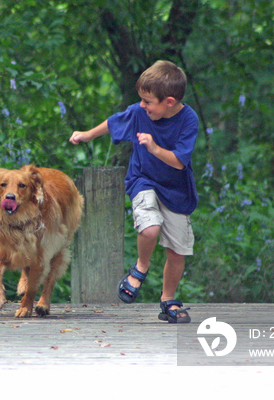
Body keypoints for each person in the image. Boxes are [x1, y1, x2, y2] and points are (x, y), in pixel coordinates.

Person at [69, 60, 198, 323]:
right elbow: (114, 122)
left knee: (178, 252)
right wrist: (87, 135)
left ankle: (168, 300)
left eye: (148, 101)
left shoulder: (189, 120)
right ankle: (140, 267)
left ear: (169, 102)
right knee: (150, 228)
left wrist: (154, 148)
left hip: (176, 191)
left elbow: (178, 161)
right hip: (143, 180)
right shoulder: (140, 113)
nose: (142, 105)